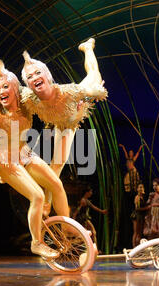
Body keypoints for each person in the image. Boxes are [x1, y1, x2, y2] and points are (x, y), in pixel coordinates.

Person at [0, 60, 72, 259]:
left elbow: (49, 98)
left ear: (15, 88)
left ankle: (68, 230)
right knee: (38, 196)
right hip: (5, 160)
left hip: (24, 153)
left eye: (5, 87)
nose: (1, 92)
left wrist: (73, 103)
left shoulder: (26, 99)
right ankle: (36, 243)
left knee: (56, 185)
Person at [20, 38, 108, 213]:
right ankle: (46, 204)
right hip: (63, 125)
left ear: (47, 75)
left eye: (38, 73)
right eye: (30, 77)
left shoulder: (68, 92)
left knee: (94, 75)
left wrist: (94, 93)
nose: (35, 78)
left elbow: (96, 92)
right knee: (57, 164)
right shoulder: (29, 97)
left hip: (79, 103)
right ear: (28, 84)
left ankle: (88, 48)